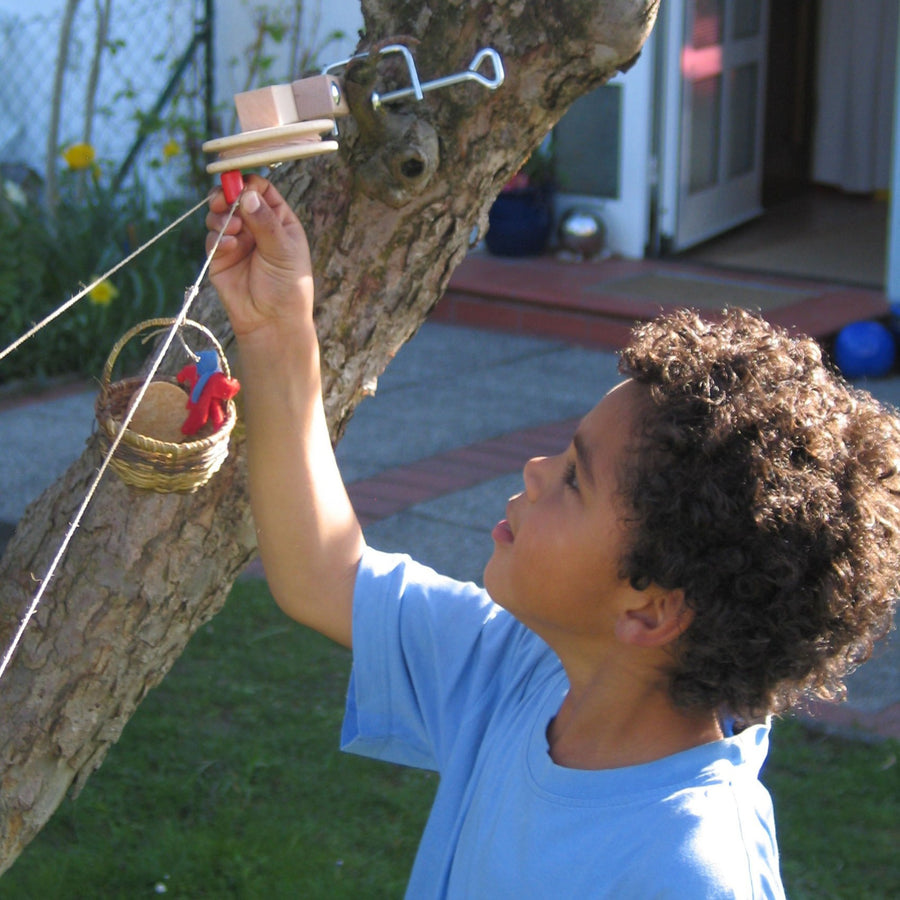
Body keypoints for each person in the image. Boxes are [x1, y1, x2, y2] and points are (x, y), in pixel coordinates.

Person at [206, 176, 900, 898]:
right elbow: (324, 573)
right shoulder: (525, 672)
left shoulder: (688, 874)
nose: (535, 471)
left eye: (575, 479)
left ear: (650, 610)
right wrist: (276, 325)